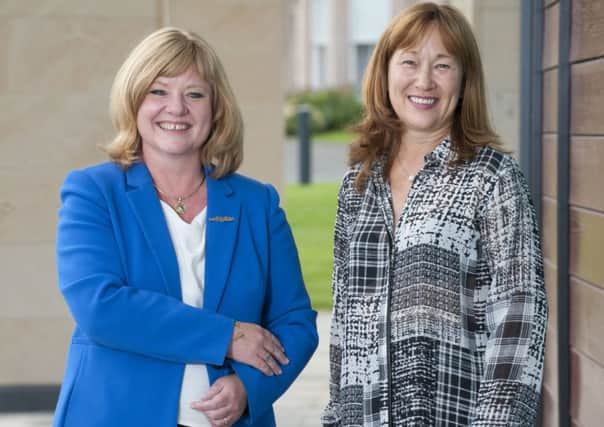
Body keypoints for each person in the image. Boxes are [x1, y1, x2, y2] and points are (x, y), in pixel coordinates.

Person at [53, 27, 318, 427]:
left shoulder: (256, 203)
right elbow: (100, 306)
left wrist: (249, 388)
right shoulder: (94, 192)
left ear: (216, 108)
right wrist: (228, 336)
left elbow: (295, 321)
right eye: (158, 91)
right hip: (112, 414)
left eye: (194, 94)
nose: (176, 108)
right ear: (134, 100)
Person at [321, 3, 547, 426]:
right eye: (409, 62)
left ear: (464, 81)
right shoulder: (358, 187)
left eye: (442, 65)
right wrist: (336, 416)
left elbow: (520, 315)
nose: (424, 80)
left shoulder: (492, 178)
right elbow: (344, 323)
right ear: (385, 72)